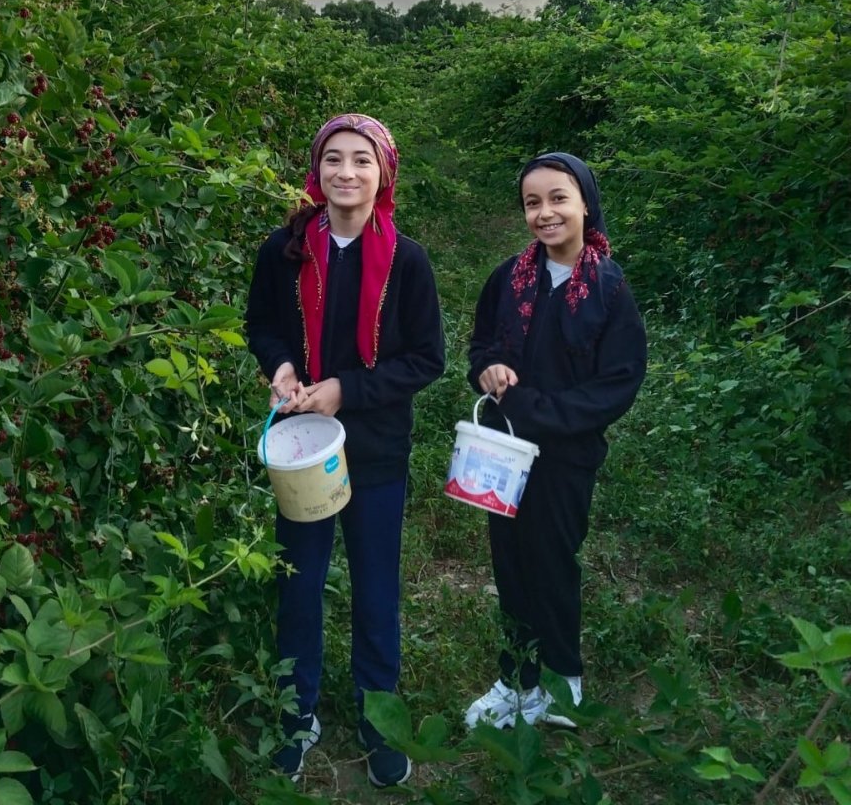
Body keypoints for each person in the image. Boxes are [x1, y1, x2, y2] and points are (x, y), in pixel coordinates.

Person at [245, 113, 445, 786]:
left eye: (362, 160)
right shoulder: (286, 249)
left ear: (383, 172)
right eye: (333, 159)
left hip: (377, 449)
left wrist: (345, 391)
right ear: (316, 170)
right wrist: (280, 367)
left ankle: (377, 714)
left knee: (375, 585)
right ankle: (295, 713)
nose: (346, 173)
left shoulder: (406, 260)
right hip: (302, 446)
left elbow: (426, 359)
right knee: (298, 582)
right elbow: (263, 326)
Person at [463, 152, 646, 730]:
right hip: (502, 453)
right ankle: (516, 679)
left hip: (566, 459)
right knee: (510, 564)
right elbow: (481, 347)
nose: (545, 213)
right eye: (532, 202)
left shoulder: (609, 290)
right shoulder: (508, 279)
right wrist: (488, 371)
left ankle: (563, 681)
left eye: (558, 198)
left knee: (551, 563)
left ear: (585, 203)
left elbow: (616, 385)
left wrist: (538, 411)